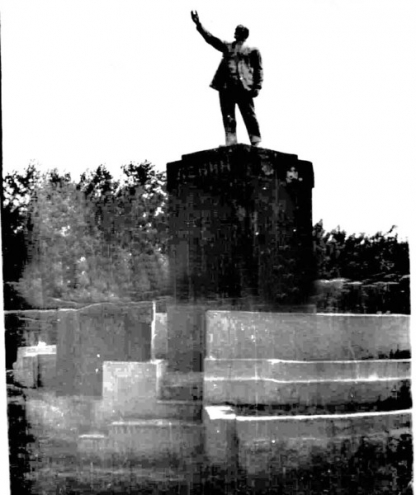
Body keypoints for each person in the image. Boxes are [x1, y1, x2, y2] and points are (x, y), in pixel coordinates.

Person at [191, 11, 263, 147]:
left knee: (249, 115)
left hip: (244, 87)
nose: (236, 33)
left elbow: (258, 69)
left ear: (244, 35)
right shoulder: (227, 46)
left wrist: (257, 86)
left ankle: (255, 142)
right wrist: (199, 25)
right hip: (226, 86)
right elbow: (211, 39)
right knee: (228, 116)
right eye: (236, 31)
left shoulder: (253, 50)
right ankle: (231, 142)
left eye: (239, 32)